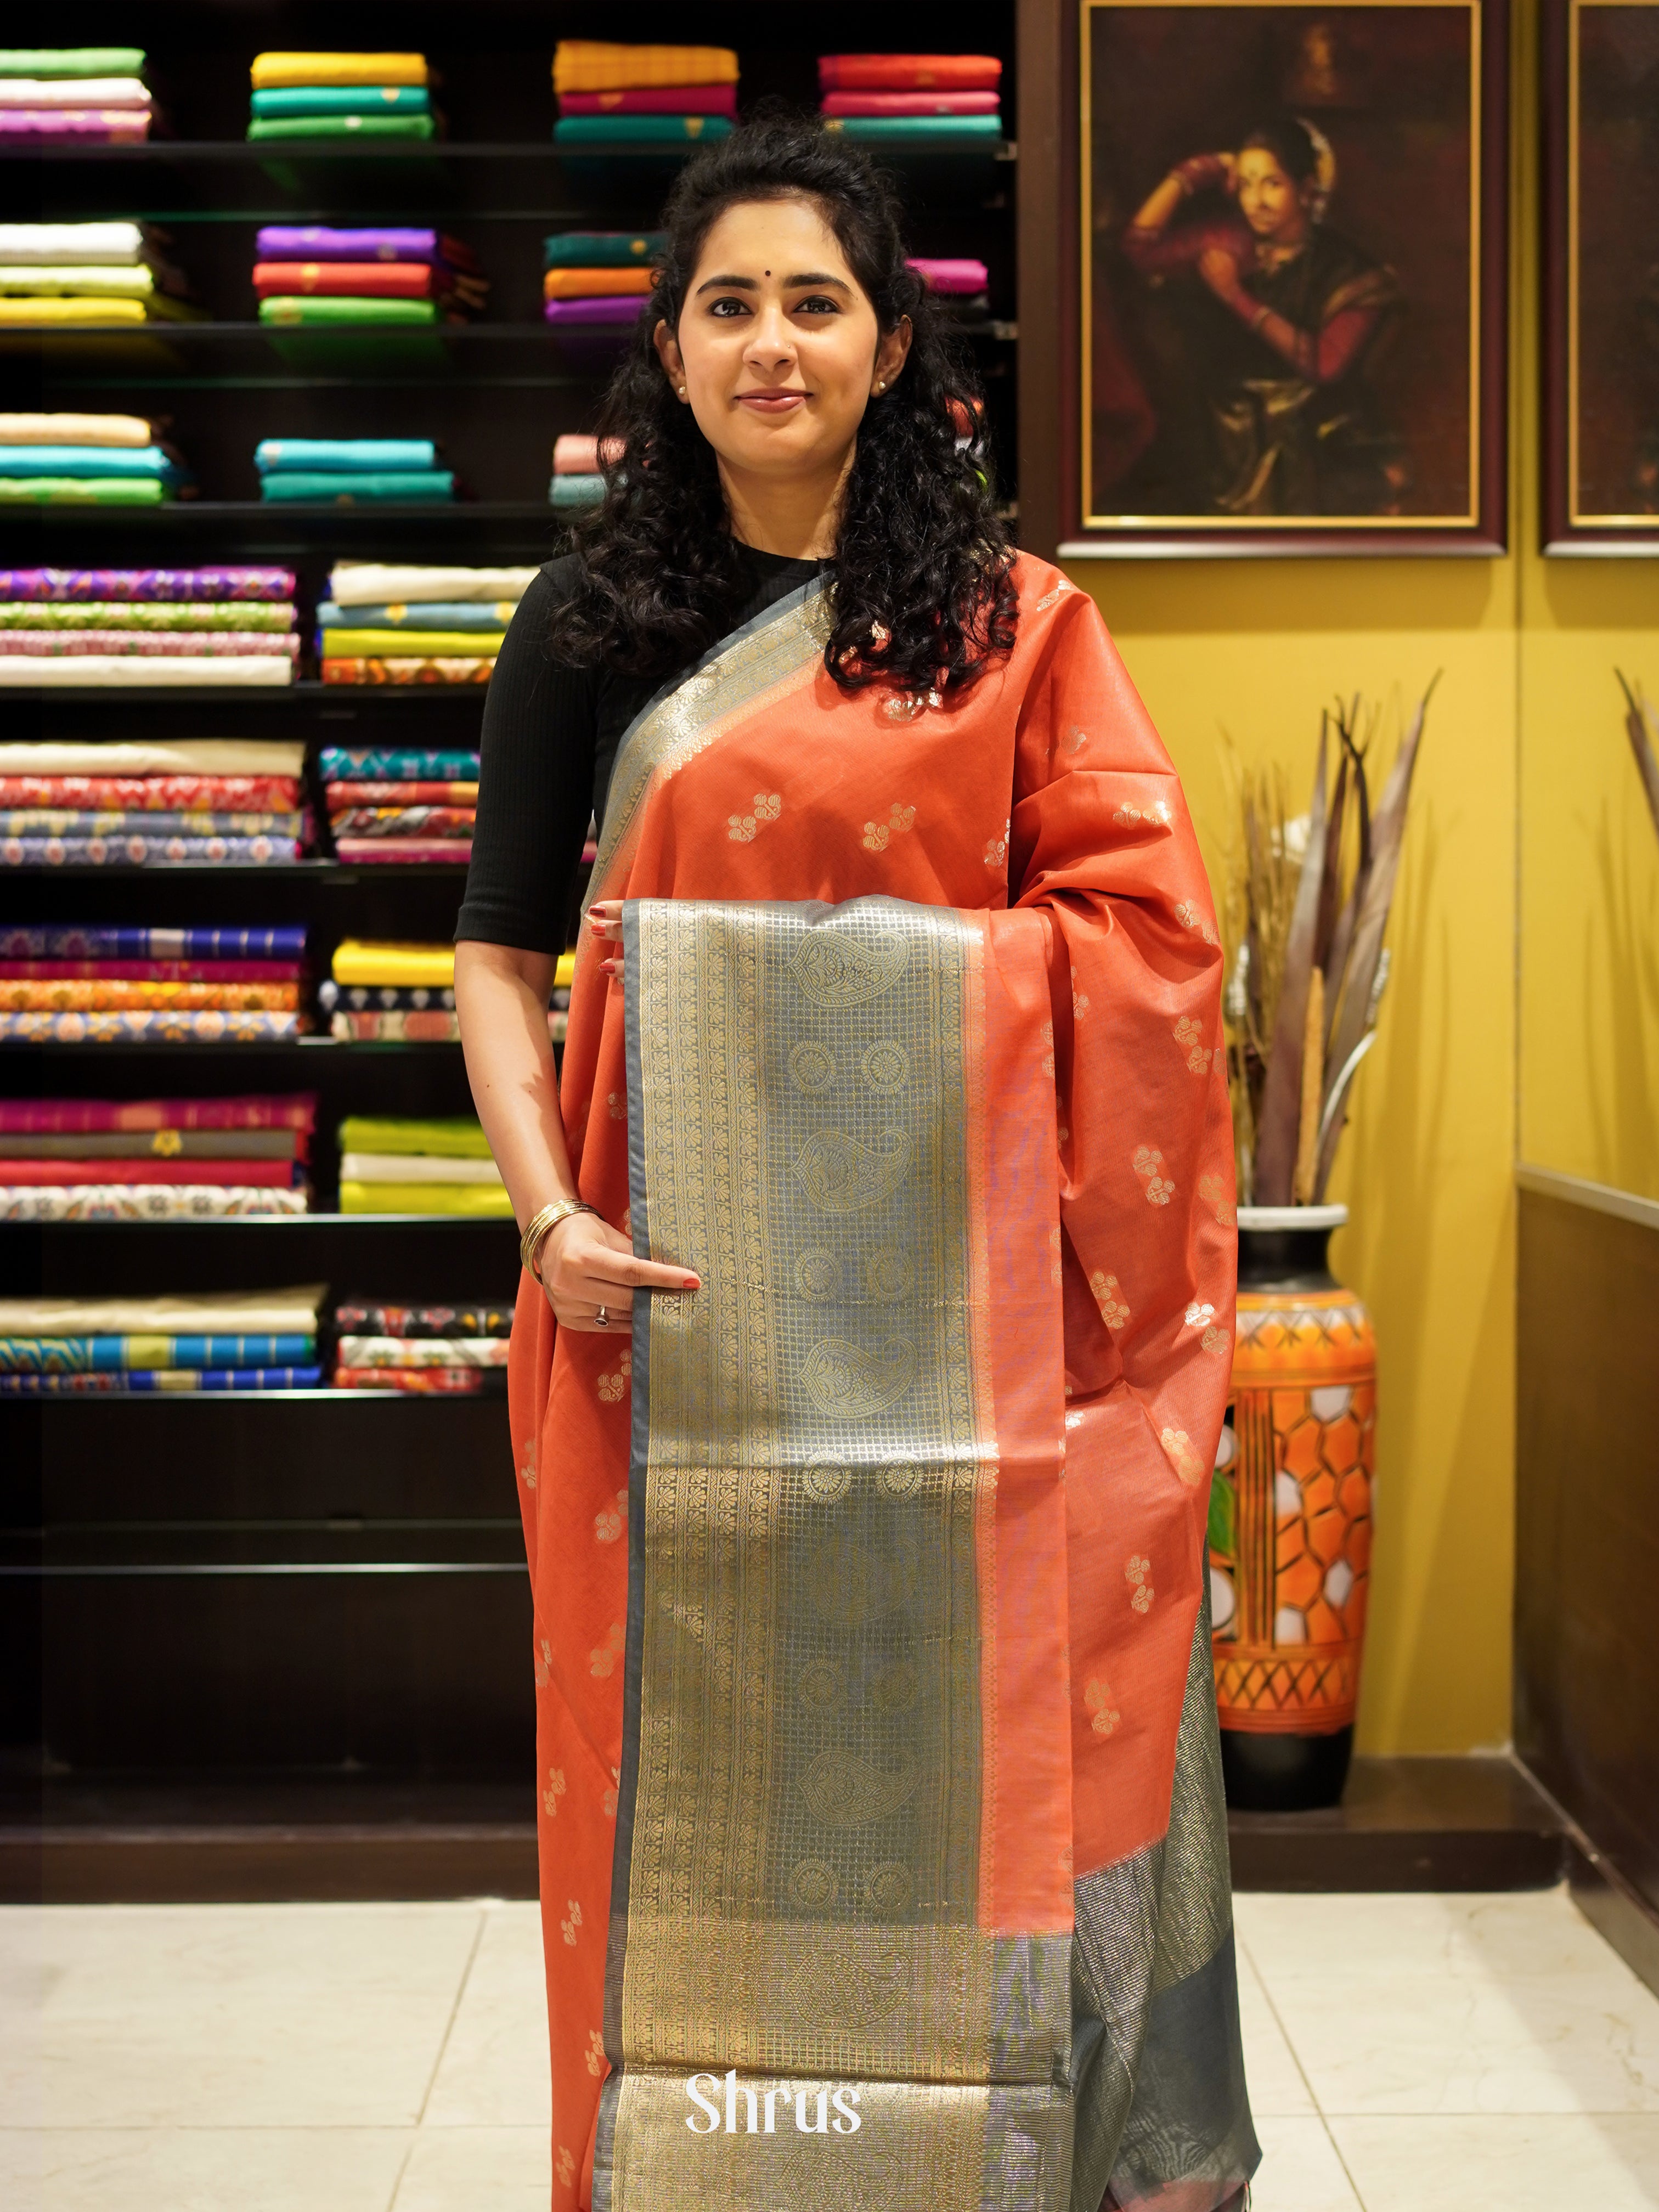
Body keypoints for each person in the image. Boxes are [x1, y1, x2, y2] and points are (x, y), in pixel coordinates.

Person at [455, 114, 1256, 2212]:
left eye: (815, 299)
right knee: (679, 1778)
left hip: (971, 1359)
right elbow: (490, 955)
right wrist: (549, 1217)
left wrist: (880, 1006)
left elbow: (1150, 956)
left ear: (890, 345)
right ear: (670, 346)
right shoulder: (584, 620)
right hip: (661, 1341)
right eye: (728, 303)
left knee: (969, 1760)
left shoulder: (1003, 625)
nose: (772, 341)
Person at [1121, 116, 1404, 515]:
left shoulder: (1350, 272)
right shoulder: (1230, 240)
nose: (1256, 201)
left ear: (1306, 190)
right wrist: (1195, 172)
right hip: (1224, 435)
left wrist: (1236, 296)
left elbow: (1323, 363)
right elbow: (1139, 248)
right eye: (1247, 184)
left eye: (1272, 184)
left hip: (1312, 438)